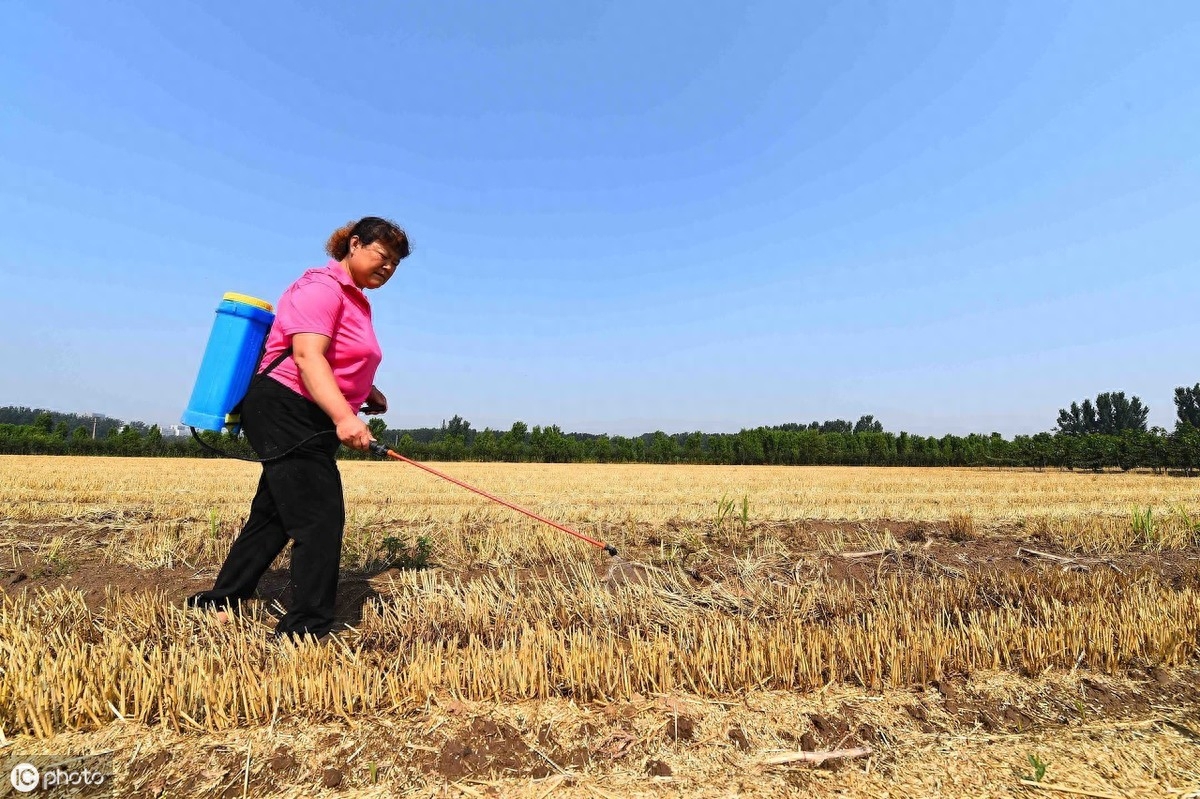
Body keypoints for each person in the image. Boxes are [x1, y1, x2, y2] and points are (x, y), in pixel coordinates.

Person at [186, 217, 410, 642]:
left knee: (274, 515)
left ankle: (221, 599)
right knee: (319, 517)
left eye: (396, 263)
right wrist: (345, 417)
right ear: (355, 244)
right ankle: (304, 626)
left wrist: (368, 389)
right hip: (285, 408)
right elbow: (307, 357)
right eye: (383, 257)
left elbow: (335, 352)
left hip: (309, 412)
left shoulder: (355, 298)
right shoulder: (320, 289)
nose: (389, 268)